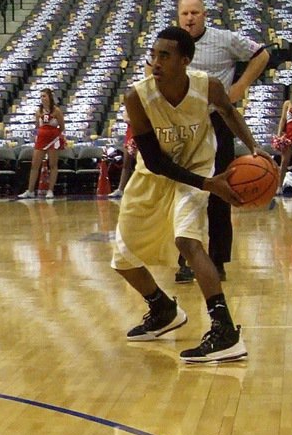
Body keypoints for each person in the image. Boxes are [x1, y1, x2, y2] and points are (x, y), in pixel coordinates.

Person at [113, 26, 266, 363]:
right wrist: (210, 186)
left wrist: (255, 148)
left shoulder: (207, 86)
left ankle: (224, 330)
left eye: (164, 56)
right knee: (122, 259)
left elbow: (228, 112)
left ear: (185, 60)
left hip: (195, 171)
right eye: (153, 55)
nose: (155, 62)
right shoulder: (136, 97)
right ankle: (163, 309)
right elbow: (153, 161)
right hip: (151, 176)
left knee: (187, 241)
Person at [174, 0, 269, 282]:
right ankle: (186, 259)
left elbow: (262, 54)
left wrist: (240, 85)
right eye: (185, 13)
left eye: (195, 13)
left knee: (219, 194)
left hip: (217, 122)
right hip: (183, 126)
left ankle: (217, 260)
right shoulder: (172, 44)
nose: (189, 18)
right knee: (186, 194)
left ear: (204, 15)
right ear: (179, 17)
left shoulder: (225, 39)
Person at [18, 88, 65, 200]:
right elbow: (37, 127)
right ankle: (30, 191)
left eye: (44, 96)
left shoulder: (56, 111)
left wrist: (56, 136)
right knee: (35, 165)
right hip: (41, 139)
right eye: (41, 96)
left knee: (52, 165)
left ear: (50, 97)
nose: (42, 98)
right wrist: (35, 135)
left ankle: (50, 190)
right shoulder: (38, 112)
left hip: (53, 140)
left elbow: (62, 127)